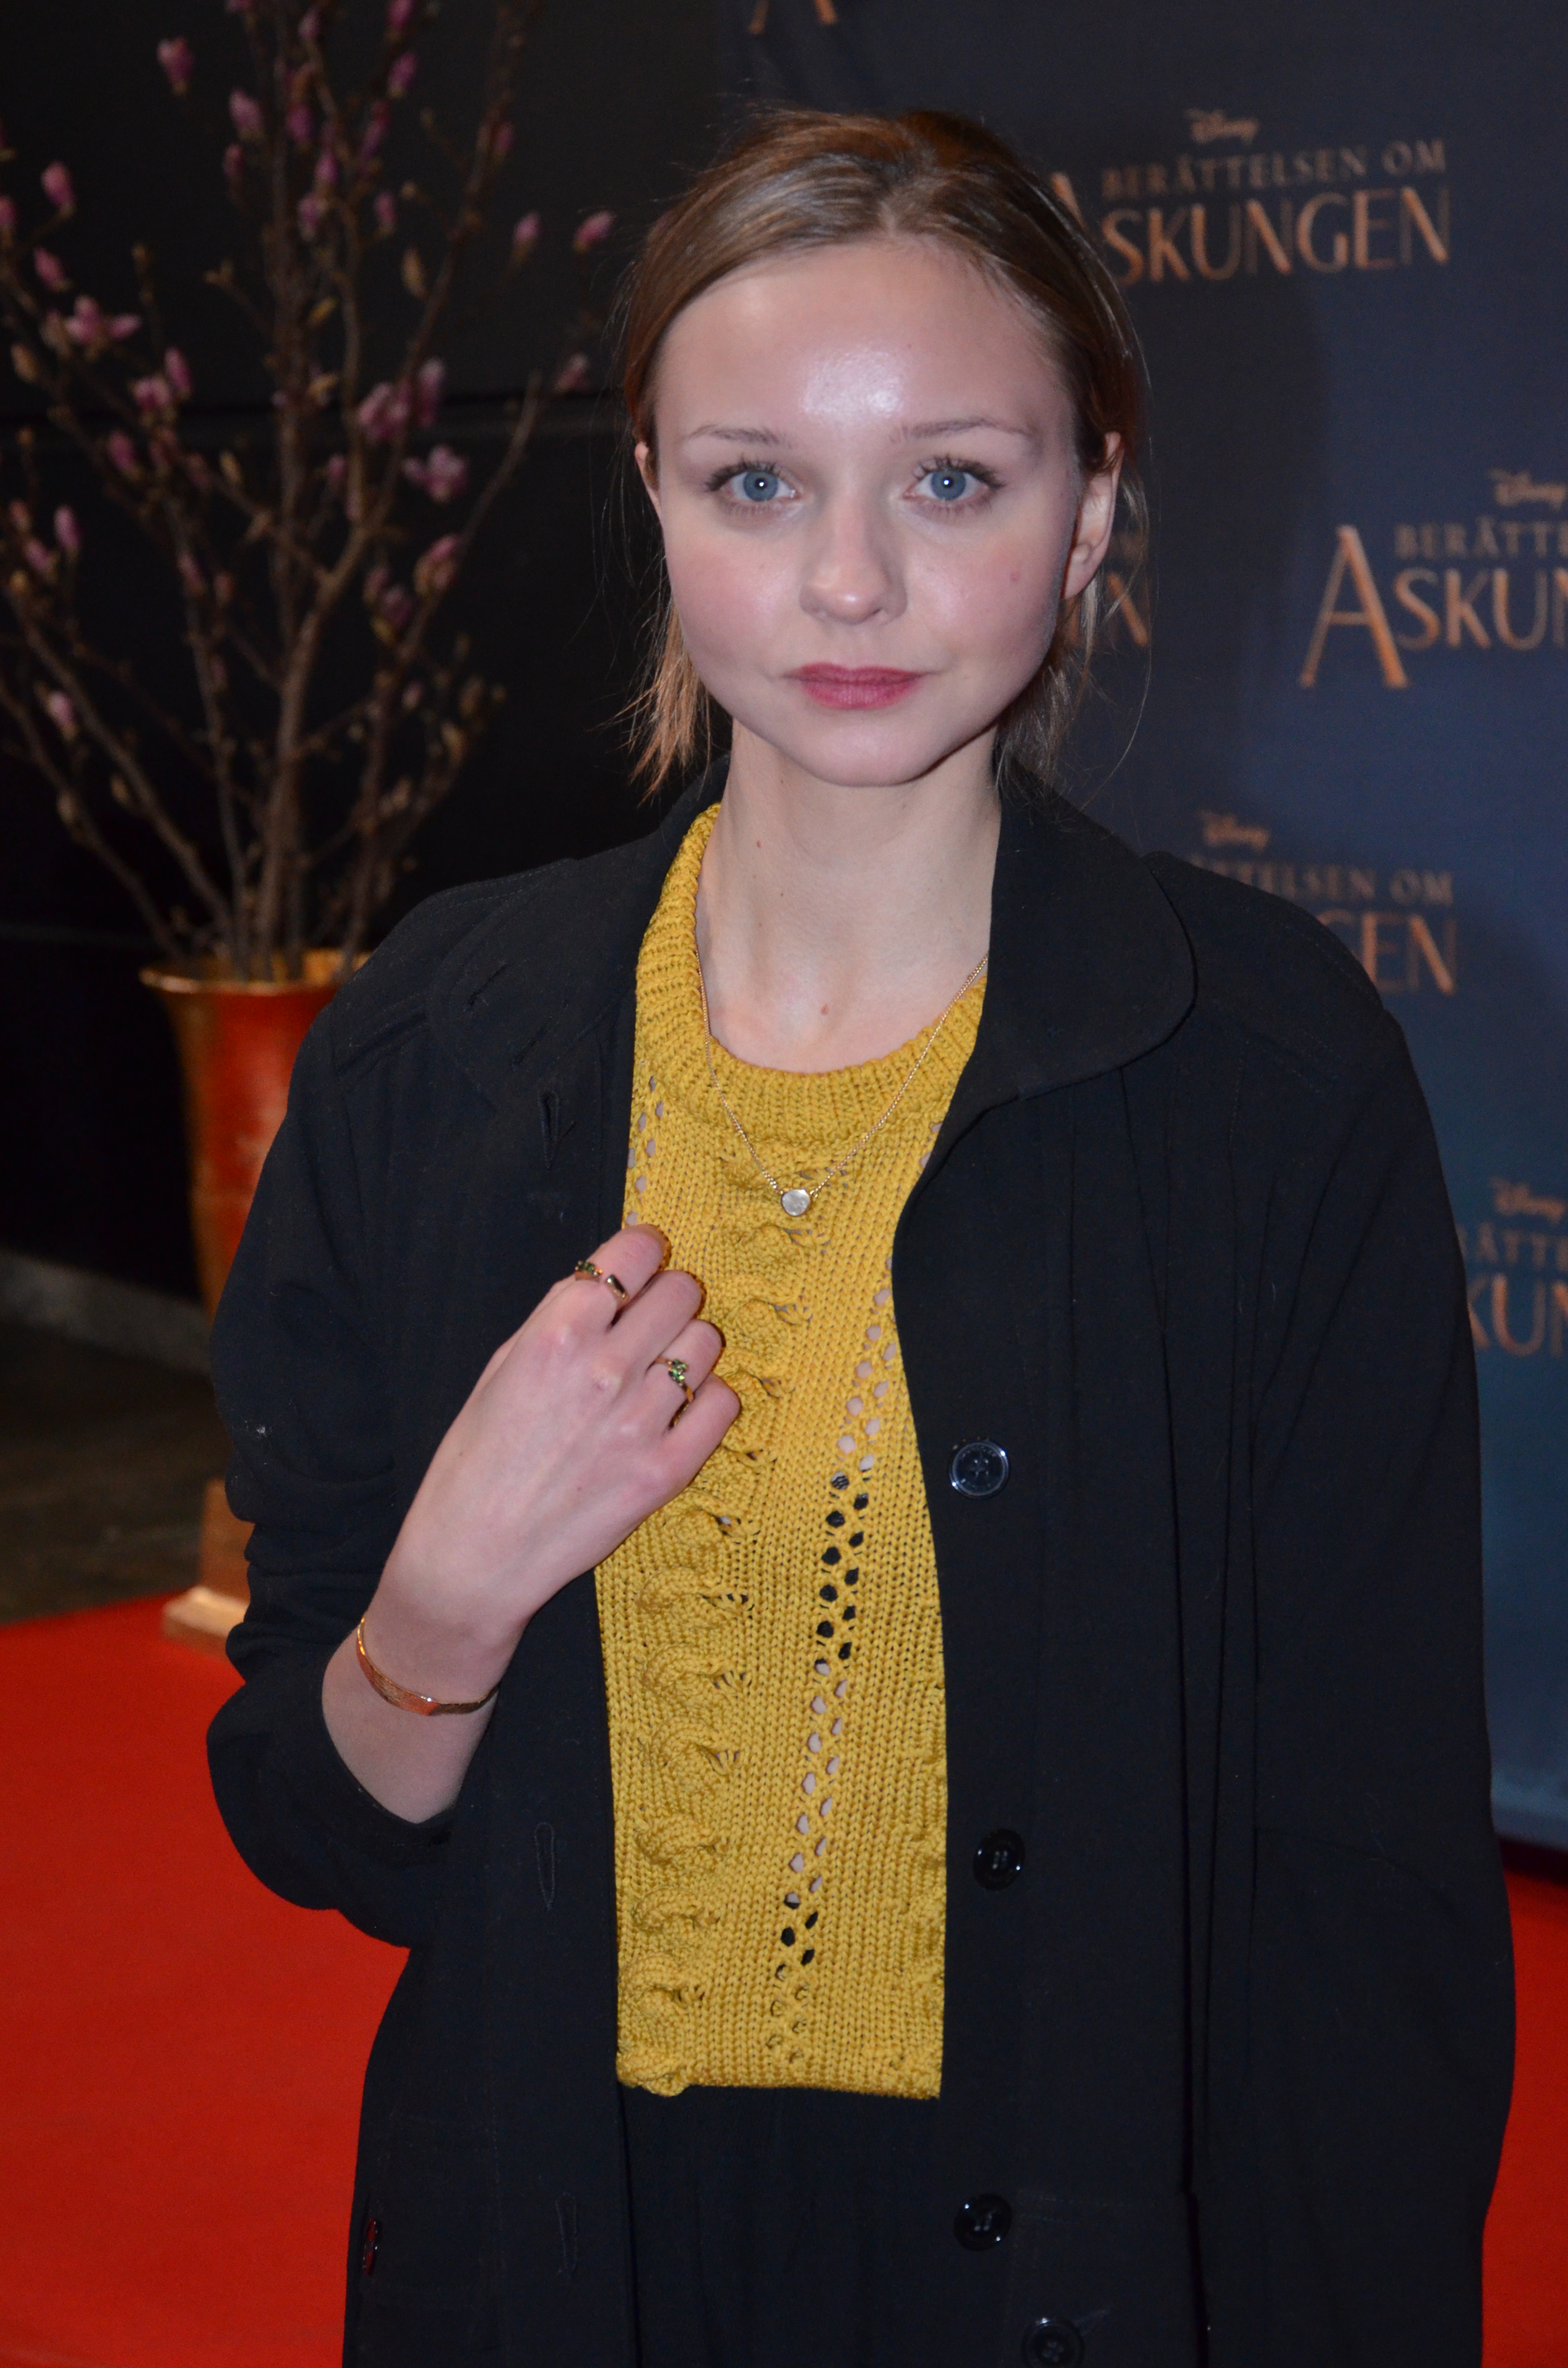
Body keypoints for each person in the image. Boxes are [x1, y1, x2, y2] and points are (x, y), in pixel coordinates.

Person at [208, 108, 1512, 2368]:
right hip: (564, 2248)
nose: (847, 583)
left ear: (1090, 505)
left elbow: (1370, 1904)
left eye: (952, 481)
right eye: (756, 481)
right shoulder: (439, 1042)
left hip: (1066, 2266)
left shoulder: (1270, 1077)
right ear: (652, 494)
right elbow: (316, 1817)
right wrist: (451, 1588)